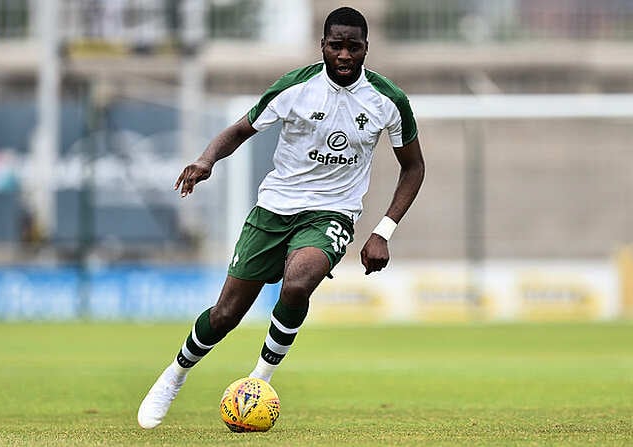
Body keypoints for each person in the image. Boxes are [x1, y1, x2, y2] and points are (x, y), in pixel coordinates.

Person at [137, 6, 424, 429]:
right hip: (274, 209)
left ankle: (258, 381)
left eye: (353, 47)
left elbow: (413, 167)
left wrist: (383, 230)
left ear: (366, 48)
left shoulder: (388, 100)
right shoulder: (294, 88)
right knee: (225, 315)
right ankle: (174, 375)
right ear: (322, 46)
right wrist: (205, 160)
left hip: (332, 212)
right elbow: (238, 130)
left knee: (299, 280)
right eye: (336, 46)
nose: (344, 55)